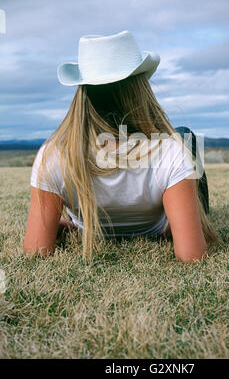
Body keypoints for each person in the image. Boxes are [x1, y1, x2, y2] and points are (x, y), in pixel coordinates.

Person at [23, 31, 217, 263]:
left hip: (92, 228)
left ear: (82, 93)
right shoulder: (171, 152)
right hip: (157, 219)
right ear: (141, 91)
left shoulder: (53, 155)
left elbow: (36, 251)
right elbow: (192, 256)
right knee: (185, 137)